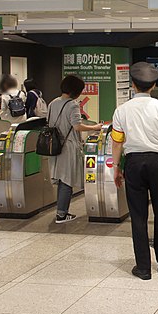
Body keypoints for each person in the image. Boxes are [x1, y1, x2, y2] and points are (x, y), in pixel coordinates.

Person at [112, 63, 158, 280]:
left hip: (133, 163)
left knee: (138, 216)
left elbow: (117, 142)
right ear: (153, 86)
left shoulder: (121, 110)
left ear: (133, 85)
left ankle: (143, 267)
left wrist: (117, 167)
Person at [48, 75, 103, 224]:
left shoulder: (53, 103)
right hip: (68, 146)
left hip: (54, 145)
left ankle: (61, 210)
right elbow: (77, 126)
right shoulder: (72, 105)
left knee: (61, 178)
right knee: (67, 180)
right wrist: (94, 127)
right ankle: (61, 214)